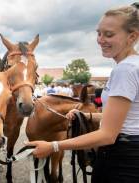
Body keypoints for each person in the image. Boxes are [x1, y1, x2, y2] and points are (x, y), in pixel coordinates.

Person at [26, 4, 139, 182]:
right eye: (98, 33)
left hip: (122, 159)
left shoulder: (125, 70)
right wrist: (86, 116)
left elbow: (108, 135)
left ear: (132, 37)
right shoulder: (133, 65)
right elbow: (128, 119)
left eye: (109, 34)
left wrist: (54, 146)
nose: (100, 40)